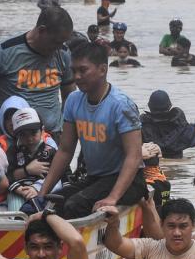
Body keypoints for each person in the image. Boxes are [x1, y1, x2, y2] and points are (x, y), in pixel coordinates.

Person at [38, 43, 147, 219]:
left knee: (75, 205)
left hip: (129, 181)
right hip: (95, 178)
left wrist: (113, 197)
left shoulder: (121, 105)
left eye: (83, 70)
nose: (77, 77)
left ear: (103, 70)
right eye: (73, 71)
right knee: (55, 201)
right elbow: (65, 150)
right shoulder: (73, 100)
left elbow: (134, 157)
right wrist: (42, 193)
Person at [0, 6, 75, 143]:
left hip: (53, 138)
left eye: (62, 43)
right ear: (42, 31)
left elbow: (70, 96)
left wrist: (66, 132)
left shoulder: (64, 54)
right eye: (55, 42)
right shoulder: (2, 52)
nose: (58, 48)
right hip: (13, 139)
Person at [101, 199, 195, 259]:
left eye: (183, 226)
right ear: (162, 225)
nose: (177, 233)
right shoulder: (150, 247)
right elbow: (116, 244)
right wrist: (113, 224)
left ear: (194, 226)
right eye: (171, 226)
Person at [5, 108, 66, 212]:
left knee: (48, 209)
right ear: (16, 135)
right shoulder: (12, 152)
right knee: (16, 214)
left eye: (33, 133)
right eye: (23, 134)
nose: (29, 138)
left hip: (45, 190)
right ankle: (15, 225)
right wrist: (19, 190)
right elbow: (7, 176)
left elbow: (62, 174)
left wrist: (37, 188)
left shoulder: (50, 151)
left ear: (42, 130)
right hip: (18, 191)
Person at [140, 90, 195, 158]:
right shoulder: (179, 122)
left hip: (155, 164)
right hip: (178, 163)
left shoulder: (143, 124)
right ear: (170, 106)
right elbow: (194, 139)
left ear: (149, 106)